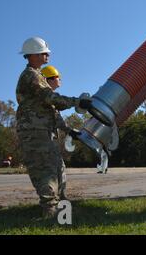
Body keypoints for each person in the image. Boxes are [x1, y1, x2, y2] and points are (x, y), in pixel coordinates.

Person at [16, 37, 92, 219]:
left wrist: (68, 129)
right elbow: (51, 99)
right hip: (34, 133)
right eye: (44, 52)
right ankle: (50, 212)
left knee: (57, 167)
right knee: (46, 170)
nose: (47, 55)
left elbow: (51, 111)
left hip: (42, 132)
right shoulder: (31, 76)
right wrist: (77, 102)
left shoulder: (36, 74)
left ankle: (61, 207)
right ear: (33, 55)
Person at [41, 65, 74, 200]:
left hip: (49, 139)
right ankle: (53, 201)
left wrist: (71, 131)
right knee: (52, 169)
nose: (60, 80)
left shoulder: (48, 97)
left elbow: (58, 120)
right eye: (57, 77)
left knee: (58, 167)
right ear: (50, 79)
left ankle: (59, 197)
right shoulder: (45, 95)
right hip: (44, 139)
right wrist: (77, 102)